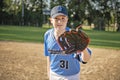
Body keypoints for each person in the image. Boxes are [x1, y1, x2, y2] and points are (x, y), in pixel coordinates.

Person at [44, 5, 92, 80]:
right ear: (51, 20)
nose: (60, 22)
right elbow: (49, 56)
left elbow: (86, 60)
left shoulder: (73, 36)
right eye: (56, 18)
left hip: (72, 76)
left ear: (67, 19)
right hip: (54, 74)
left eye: (63, 18)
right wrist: (49, 73)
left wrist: (84, 49)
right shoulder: (47, 35)